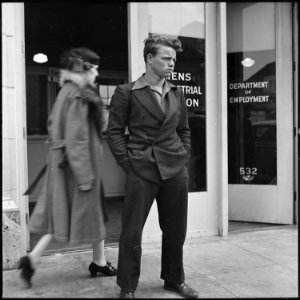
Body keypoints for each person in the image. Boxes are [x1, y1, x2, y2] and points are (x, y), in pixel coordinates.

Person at [107, 35, 199, 299]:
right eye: (166, 58)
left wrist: (183, 155)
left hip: (174, 169)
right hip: (141, 168)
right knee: (132, 232)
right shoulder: (127, 92)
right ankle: (127, 287)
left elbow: (184, 130)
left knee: (175, 230)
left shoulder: (176, 92)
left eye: (174, 59)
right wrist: (129, 163)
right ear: (149, 58)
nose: (172, 64)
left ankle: (174, 279)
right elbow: (113, 132)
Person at [18, 47, 117, 288]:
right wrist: (84, 175)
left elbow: (54, 126)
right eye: (93, 68)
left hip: (64, 165)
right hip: (78, 168)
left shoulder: (66, 92)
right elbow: (78, 138)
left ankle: (98, 261)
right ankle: (33, 259)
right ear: (82, 70)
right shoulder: (80, 95)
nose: (96, 73)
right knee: (77, 216)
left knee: (70, 216)